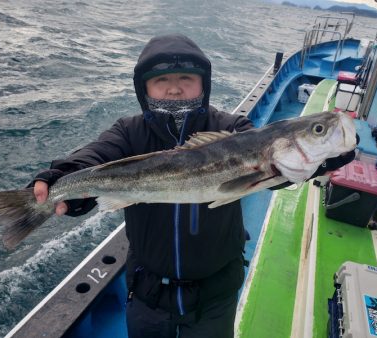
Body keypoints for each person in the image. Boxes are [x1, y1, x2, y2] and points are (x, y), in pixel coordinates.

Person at [33, 34, 253, 338]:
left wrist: (328, 155)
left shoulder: (233, 130)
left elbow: (281, 167)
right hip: (148, 292)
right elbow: (96, 154)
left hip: (215, 296)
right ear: (144, 86)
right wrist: (64, 177)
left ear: (204, 83)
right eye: (161, 79)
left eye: (186, 78)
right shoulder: (128, 131)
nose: (174, 88)